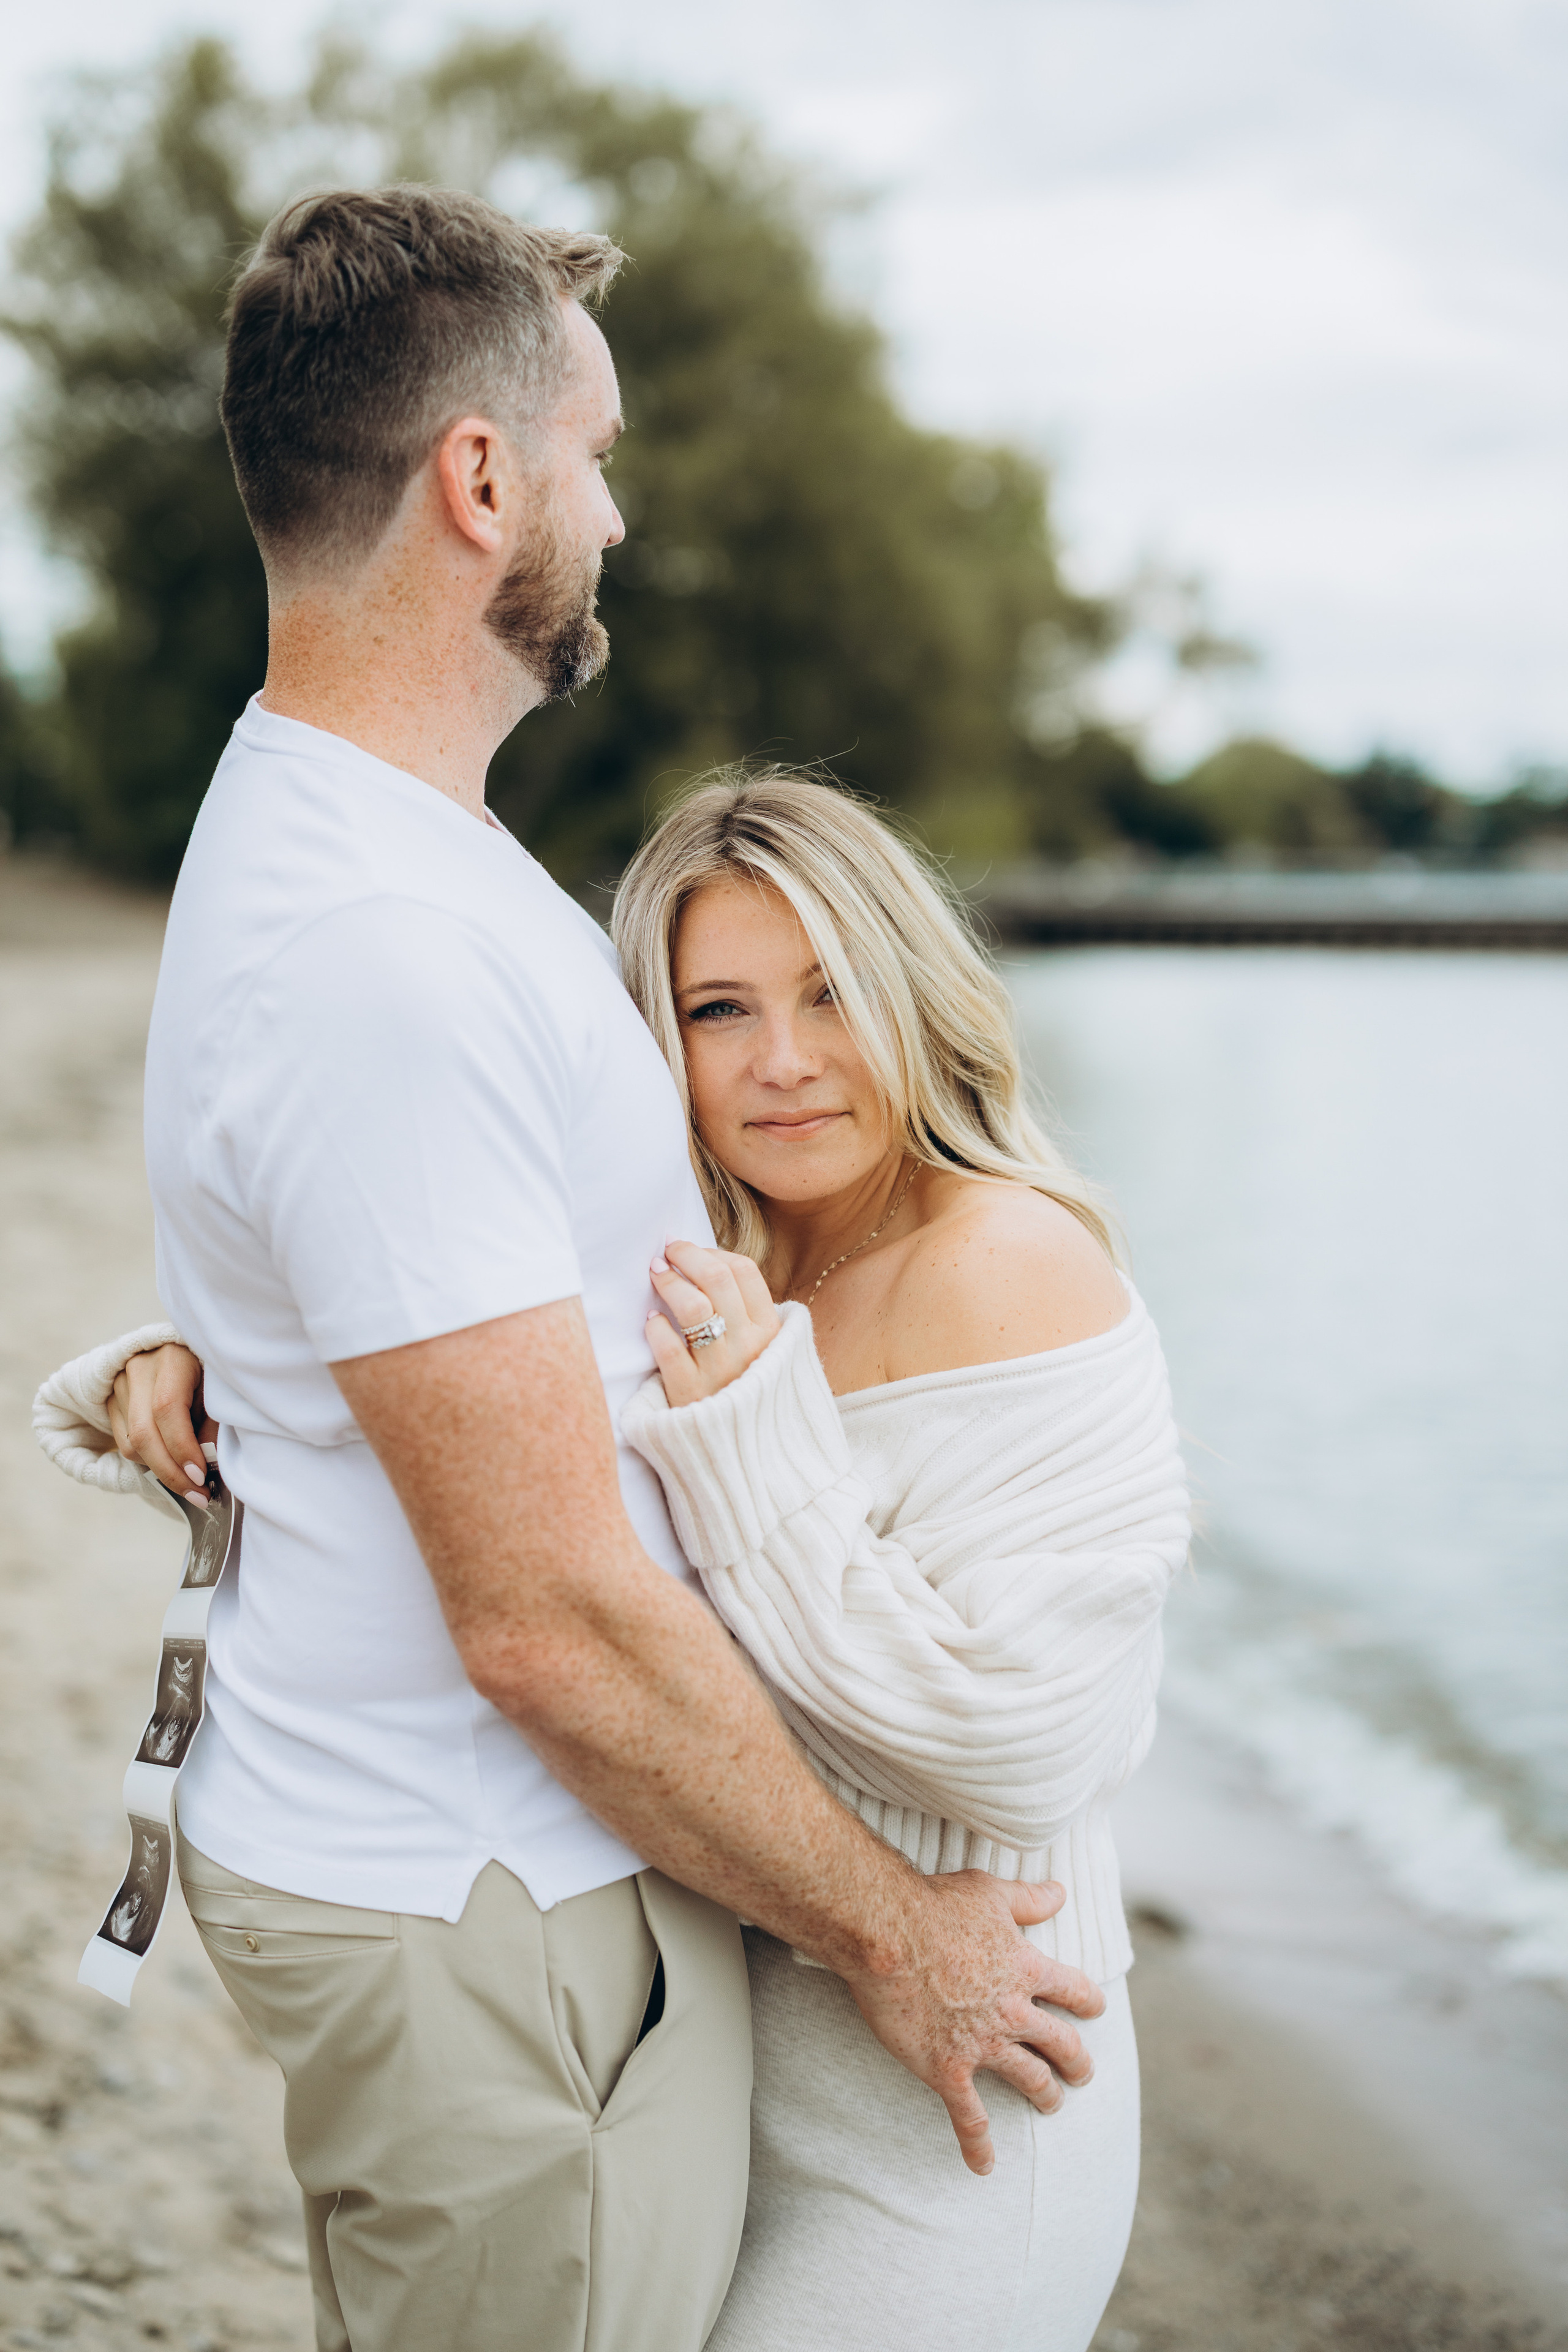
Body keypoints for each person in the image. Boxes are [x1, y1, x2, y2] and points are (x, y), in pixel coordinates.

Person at [29, 186, 1106, 2352]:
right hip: (491, 1911)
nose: (614, 514)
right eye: (592, 456)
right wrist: (904, 1937)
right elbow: (543, 1619)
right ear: (482, 477)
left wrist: (204, 1356)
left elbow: (434, 1284)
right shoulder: (386, 946)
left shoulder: (385, 841)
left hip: (472, 1887)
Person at [45, 770, 1189, 2350]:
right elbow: (445, 1364)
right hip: (715, 2055)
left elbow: (1021, 1739)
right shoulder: (699, 1243)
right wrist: (185, 1366)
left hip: (963, 2084)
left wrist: (748, 1444)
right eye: (720, 1009)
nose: (783, 1063)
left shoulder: (1006, 1260)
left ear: (918, 993)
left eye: (832, 993)